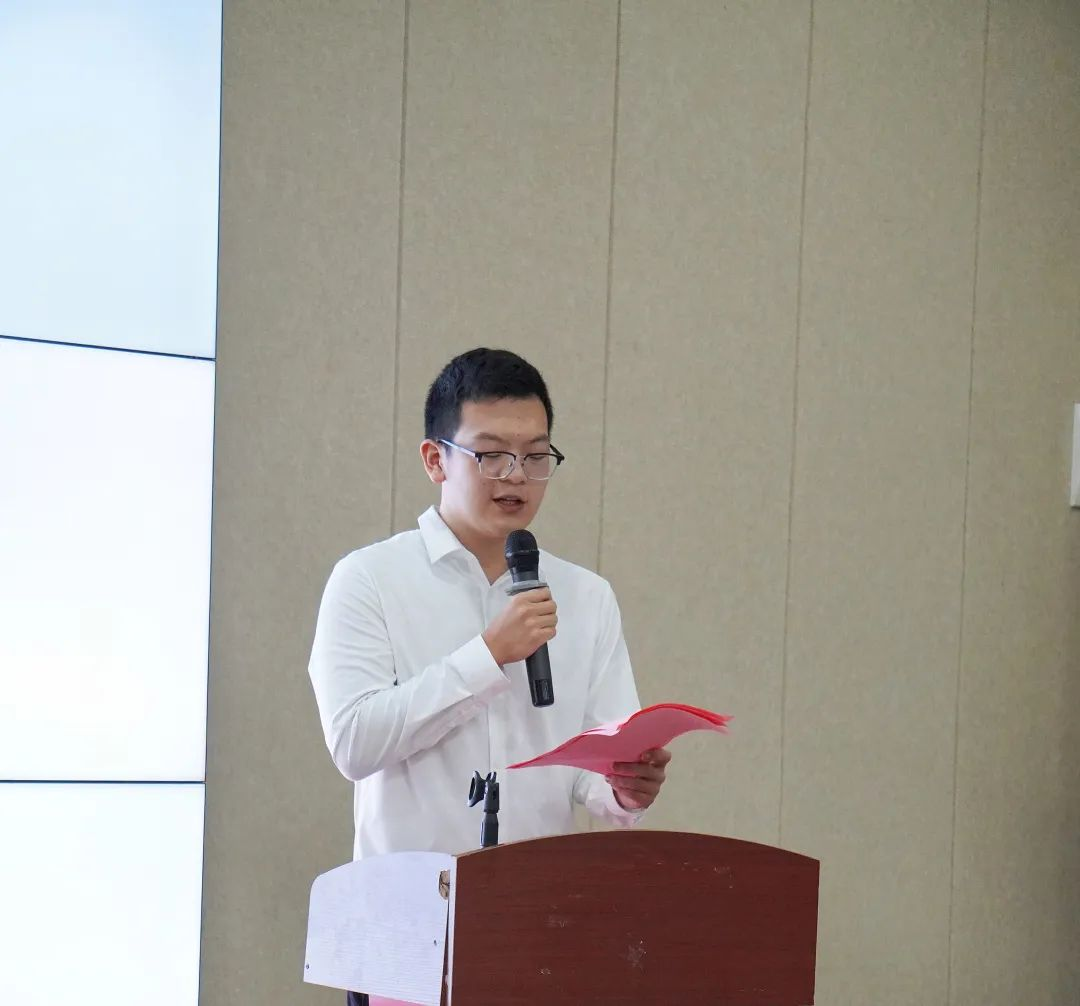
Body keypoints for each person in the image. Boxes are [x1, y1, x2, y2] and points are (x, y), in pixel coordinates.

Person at [307, 348, 671, 1006]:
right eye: (492, 454)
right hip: (404, 937)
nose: (516, 476)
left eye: (536, 456)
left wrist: (625, 785)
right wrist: (487, 655)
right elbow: (354, 743)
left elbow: (596, 767)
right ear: (435, 459)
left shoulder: (586, 596)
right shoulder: (369, 581)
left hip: (540, 930)